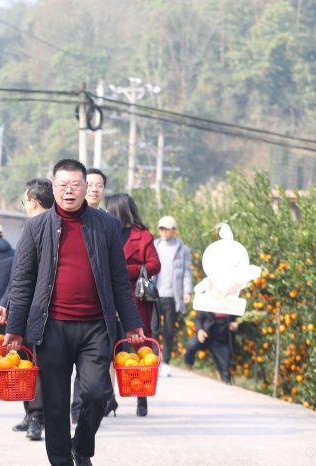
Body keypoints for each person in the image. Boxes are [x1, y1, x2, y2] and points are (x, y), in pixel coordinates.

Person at [4, 159, 145, 466]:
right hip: (51, 327)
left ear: (86, 187)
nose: (69, 191)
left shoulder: (106, 225)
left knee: (97, 393)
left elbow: (119, 280)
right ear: (53, 188)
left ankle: (81, 445)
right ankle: (61, 461)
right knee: (55, 403)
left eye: (75, 185)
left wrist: (132, 322)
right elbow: (23, 281)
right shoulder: (36, 227)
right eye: (62, 185)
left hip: (96, 326)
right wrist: (15, 328)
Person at [0, 178, 53, 441]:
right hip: (24, 308)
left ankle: (37, 416)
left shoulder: (50, 228)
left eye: (24, 201)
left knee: (36, 363)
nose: (24, 205)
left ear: (33, 202)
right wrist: (4, 303)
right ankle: (30, 413)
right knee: (24, 362)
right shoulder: (32, 228)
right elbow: (19, 276)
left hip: (42, 309)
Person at [105, 193, 161, 417]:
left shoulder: (143, 235)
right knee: (107, 349)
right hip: (108, 298)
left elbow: (155, 264)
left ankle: (142, 397)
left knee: (140, 349)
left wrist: (126, 271)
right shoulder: (105, 232)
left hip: (134, 299)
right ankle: (109, 399)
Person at [71, 168, 113, 424]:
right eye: (91, 184)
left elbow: (116, 270)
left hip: (98, 310)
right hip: (65, 312)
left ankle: (81, 411)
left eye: (100, 185)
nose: (95, 189)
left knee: (91, 371)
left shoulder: (108, 224)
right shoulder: (66, 221)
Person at [152, 216, 193, 377]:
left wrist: (187, 291)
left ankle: (166, 363)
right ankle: (155, 361)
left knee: (169, 331)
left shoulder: (182, 249)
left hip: (172, 296)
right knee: (154, 329)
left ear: (174, 230)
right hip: (155, 294)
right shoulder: (155, 245)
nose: (164, 232)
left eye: (167, 229)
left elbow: (187, 272)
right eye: (161, 228)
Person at [184, 310, 237, 384]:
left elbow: (238, 319)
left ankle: (225, 383)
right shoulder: (206, 303)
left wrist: (237, 324)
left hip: (221, 340)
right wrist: (199, 330)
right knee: (191, 345)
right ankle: (188, 365)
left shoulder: (232, 305)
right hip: (205, 335)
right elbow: (198, 319)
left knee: (225, 371)